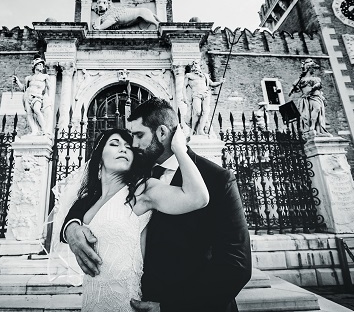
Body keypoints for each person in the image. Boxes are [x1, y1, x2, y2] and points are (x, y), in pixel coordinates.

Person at [62, 98, 251, 312]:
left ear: (162, 133)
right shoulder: (136, 169)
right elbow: (95, 197)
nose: (132, 144)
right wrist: (72, 227)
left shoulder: (216, 179)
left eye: (139, 135)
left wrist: (170, 308)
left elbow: (236, 266)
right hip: (132, 298)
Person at [55, 125, 209, 312]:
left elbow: (197, 198)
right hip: (91, 303)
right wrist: (71, 227)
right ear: (99, 157)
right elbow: (64, 221)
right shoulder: (88, 200)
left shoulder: (142, 191)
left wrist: (179, 149)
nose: (123, 148)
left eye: (129, 147)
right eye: (114, 144)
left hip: (125, 304)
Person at [289, 58, 331, 136]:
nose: (314, 70)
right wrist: (293, 89)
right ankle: (312, 128)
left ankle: (316, 128)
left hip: (315, 97)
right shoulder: (300, 80)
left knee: (317, 109)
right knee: (308, 114)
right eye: (313, 68)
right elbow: (294, 90)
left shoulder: (316, 79)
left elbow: (318, 86)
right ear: (308, 68)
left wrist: (313, 89)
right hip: (306, 98)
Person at [184, 60, 225, 135]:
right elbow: (183, 86)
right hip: (196, 95)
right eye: (193, 65)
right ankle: (193, 130)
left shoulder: (204, 75)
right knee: (197, 112)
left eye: (196, 64)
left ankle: (201, 130)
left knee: (205, 112)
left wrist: (220, 82)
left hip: (205, 94)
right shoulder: (189, 76)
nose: (195, 66)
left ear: (200, 66)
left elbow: (212, 83)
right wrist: (184, 97)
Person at [12, 58, 50, 135]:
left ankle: (44, 129)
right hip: (27, 96)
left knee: (36, 110)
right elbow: (23, 88)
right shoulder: (28, 78)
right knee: (29, 113)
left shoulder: (45, 77)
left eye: (42, 65)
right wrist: (17, 81)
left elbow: (49, 89)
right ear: (35, 66)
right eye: (39, 64)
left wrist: (47, 100)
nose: (41, 66)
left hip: (37, 96)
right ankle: (34, 130)